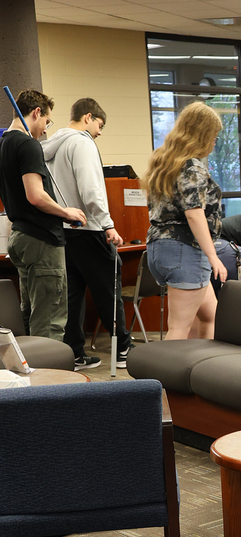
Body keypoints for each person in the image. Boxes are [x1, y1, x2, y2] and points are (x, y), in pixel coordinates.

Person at [41, 97, 134, 370]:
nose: (100, 132)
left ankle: (74, 353)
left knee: (72, 296)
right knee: (108, 290)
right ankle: (123, 349)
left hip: (63, 229)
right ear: (88, 117)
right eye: (100, 125)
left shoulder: (50, 145)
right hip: (90, 228)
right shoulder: (82, 142)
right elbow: (90, 189)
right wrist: (108, 224)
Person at [0, 89, 86, 344]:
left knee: (32, 312)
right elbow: (36, 196)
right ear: (37, 112)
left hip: (20, 236)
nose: (45, 130)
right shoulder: (27, 143)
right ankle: (50, 381)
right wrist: (66, 212)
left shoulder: (4, 142)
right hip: (40, 239)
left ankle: (36, 378)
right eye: (46, 122)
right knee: (49, 318)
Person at [145, 102, 227, 340]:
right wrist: (213, 257)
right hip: (184, 250)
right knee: (180, 327)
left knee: (210, 315)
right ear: (200, 135)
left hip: (160, 247)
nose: (214, 142)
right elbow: (194, 213)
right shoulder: (191, 166)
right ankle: (167, 377)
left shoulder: (164, 162)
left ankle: (200, 369)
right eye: (213, 136)